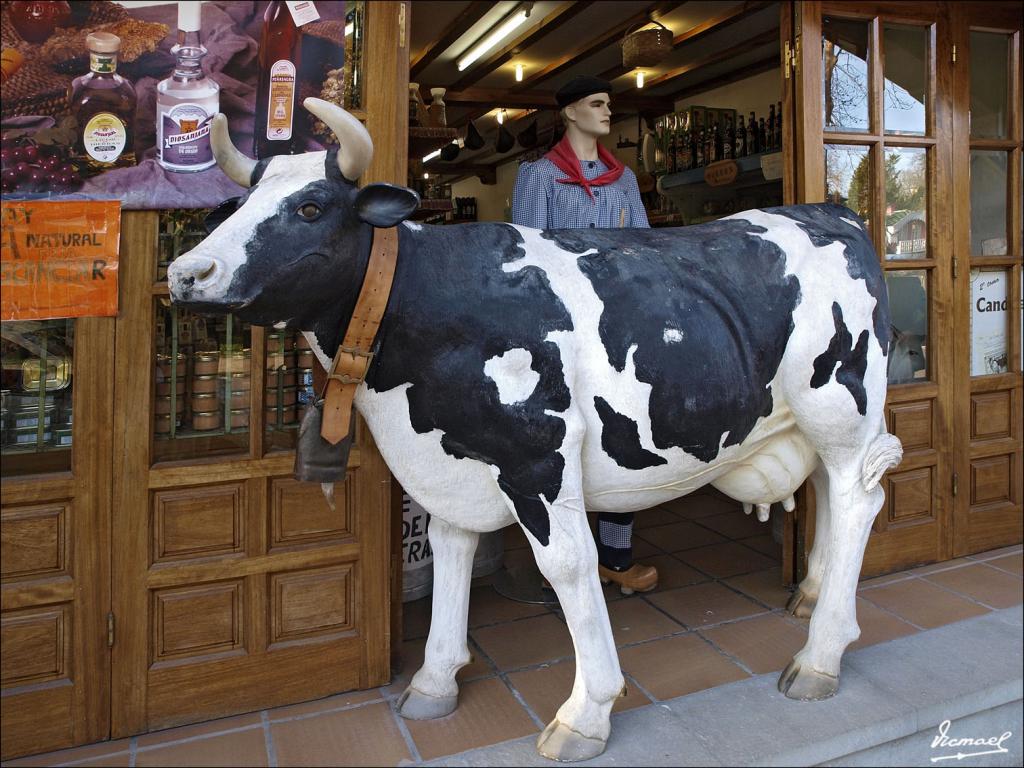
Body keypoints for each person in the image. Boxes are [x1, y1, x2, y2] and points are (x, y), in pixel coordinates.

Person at [511, 74, 658, 594]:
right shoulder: (539, 177)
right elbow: (528, 254)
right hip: (561, 327)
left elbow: (643, 249)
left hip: (618, 324)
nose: (606, 112)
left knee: (624, 433)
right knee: (559, 439)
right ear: (570, 112)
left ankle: (616, 560)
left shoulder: (623, 180)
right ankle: (564, 561)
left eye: (608, 105)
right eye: (596, 103)